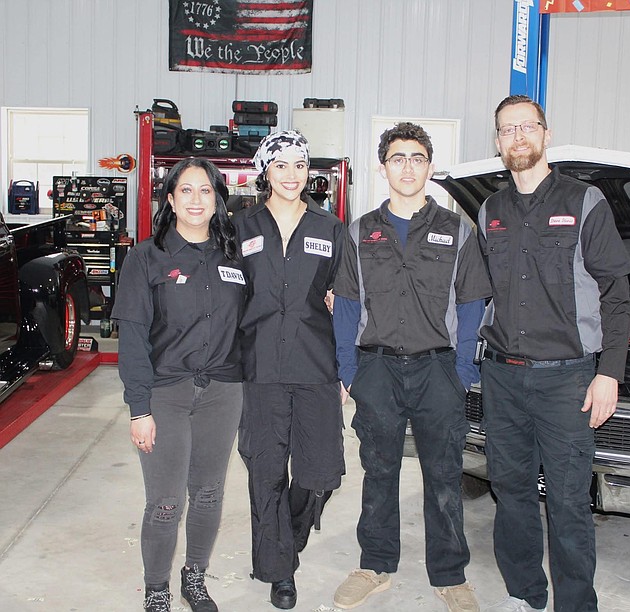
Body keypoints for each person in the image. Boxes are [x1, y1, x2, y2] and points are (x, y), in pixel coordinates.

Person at [478, 95, 630, 612]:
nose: (517, 137)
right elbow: (475, 291)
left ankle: (576, 605)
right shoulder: (489, 210)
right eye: (507, 129)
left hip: (568, 380)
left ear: (545, 134)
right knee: (511, 491)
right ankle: (525, 594)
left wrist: (609, 373)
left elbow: (615, 294)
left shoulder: (584, 202)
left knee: (568, 502)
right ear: (498, 141)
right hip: (502, 376)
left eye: (527, 127)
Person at [331, 122, 492, 612]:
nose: (407, 166)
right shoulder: (360, 232)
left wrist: (462, 371)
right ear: (383, 168)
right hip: (376, 369)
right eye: (397, 157)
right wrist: (348, 372)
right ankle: (375, 565)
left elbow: (471, 306)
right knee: (377, 470)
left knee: (444, 475)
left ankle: (449, 574)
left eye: (417, 157)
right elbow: (346, 305)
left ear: (429, 166)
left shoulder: (457, 230)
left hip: (438, 371)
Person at [113, 157, 246, 612]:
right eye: (185, 190)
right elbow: (131, 337)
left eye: (205, 191)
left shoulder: (234, 257)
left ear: (217, 200)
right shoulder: (146, 258)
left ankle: (195, 578)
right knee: (166, 501)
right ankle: (157, 588)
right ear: (169, 199)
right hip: (165, 394)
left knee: (209, 492)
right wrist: (139, 409)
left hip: (223, 392)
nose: (195, 200)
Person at [233, 130, 346, 610]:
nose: (292, 175)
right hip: (258, 365)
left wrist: (346, 369)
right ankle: (280, 570)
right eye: (281, 166)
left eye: (300, 166)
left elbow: (346, 304)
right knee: (266, 470)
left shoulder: (329, 227)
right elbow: (226, 295)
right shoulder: (240, 227)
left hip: (315, 363)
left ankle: (288, 538)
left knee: (320, 472)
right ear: (265, 171)